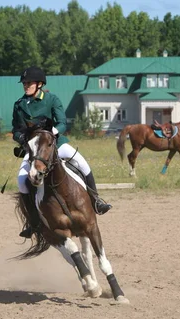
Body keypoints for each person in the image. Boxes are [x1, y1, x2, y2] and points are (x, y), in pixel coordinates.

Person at [12, 66, 111, 239]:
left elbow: (62, 123)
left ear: (40, 84)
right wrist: (21, 138)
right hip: (35, 149)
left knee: (82, 164)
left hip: (56, 144)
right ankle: (33, 221)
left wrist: (53, 134)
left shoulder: (51, 99)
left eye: (29, 83)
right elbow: (16, 129)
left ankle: (96, 201)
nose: (26, 85)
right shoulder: (19, 105)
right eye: (24, 83)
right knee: (21, 181)